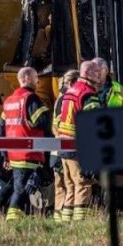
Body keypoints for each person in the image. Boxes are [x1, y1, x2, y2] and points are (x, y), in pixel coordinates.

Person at [0, 67, 52, 221]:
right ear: (28, 78)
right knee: (21, 190)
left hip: (14, 154)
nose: (38, 81)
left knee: (24, 187)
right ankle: (13, 220)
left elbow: (0, 131)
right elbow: (41, 121)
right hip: (29, 153)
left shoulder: (9, 101)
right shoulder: (31, 98)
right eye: (36, 78)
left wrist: (5, 156)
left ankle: (23, 219)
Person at [56, 60, 101, 220]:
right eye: (97, 73)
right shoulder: (88, 93)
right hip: (78, 147)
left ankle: (66, 220)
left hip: (63, 145)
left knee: (70, 185)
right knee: (83, 184)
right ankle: (81, 222)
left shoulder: (71, 91)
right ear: (89, 74)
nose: (100, 76)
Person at [51, 69, 79, 222]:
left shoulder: (60, 99)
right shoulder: (68, 99)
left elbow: (55, 126)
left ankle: (60, 218)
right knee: (69, 184)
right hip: (65, 149)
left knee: (62, 185)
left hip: (58, 149)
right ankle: (65, 217)